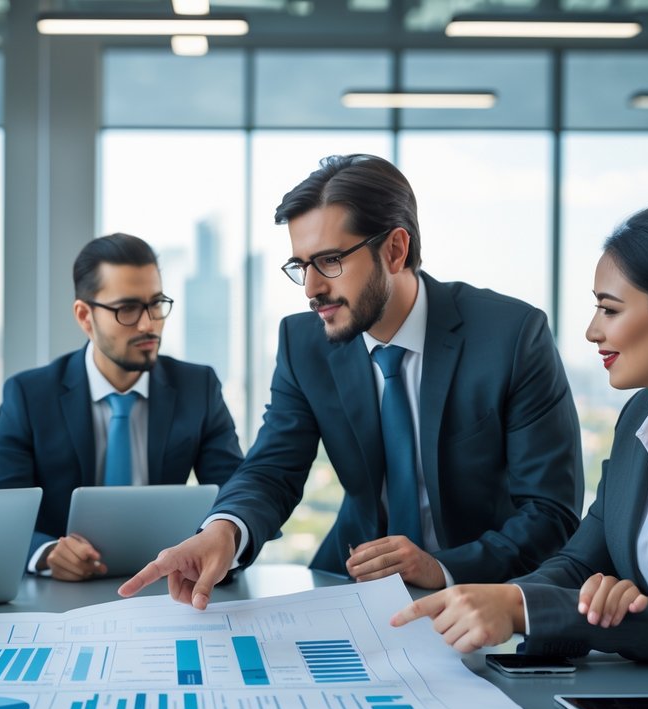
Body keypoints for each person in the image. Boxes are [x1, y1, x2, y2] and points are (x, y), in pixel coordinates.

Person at [121, 154, 583, 609]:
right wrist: (224, 530)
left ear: (396, 250)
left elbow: (550, 512)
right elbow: (272, 468)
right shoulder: (304, 342)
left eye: (329, 261)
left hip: (484, 594)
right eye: (301, 265)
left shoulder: (510, 335)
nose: (310, 288)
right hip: (350, 585)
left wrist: (441, 568)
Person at [391, 203, 648, 680]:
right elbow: (579, 563)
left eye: (610, 310)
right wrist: (500, 600)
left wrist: (522, 611)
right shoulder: (641, 414)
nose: (592, 331)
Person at [0, 233, 244, 581]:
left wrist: (217, 540)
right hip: (62, 595)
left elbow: (235, 493)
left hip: (170, 587)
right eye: (128, 309)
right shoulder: (29, 395)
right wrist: (46, 553)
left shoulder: (198, 387)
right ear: (85, 316)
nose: (149, 324)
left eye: (156, 304)